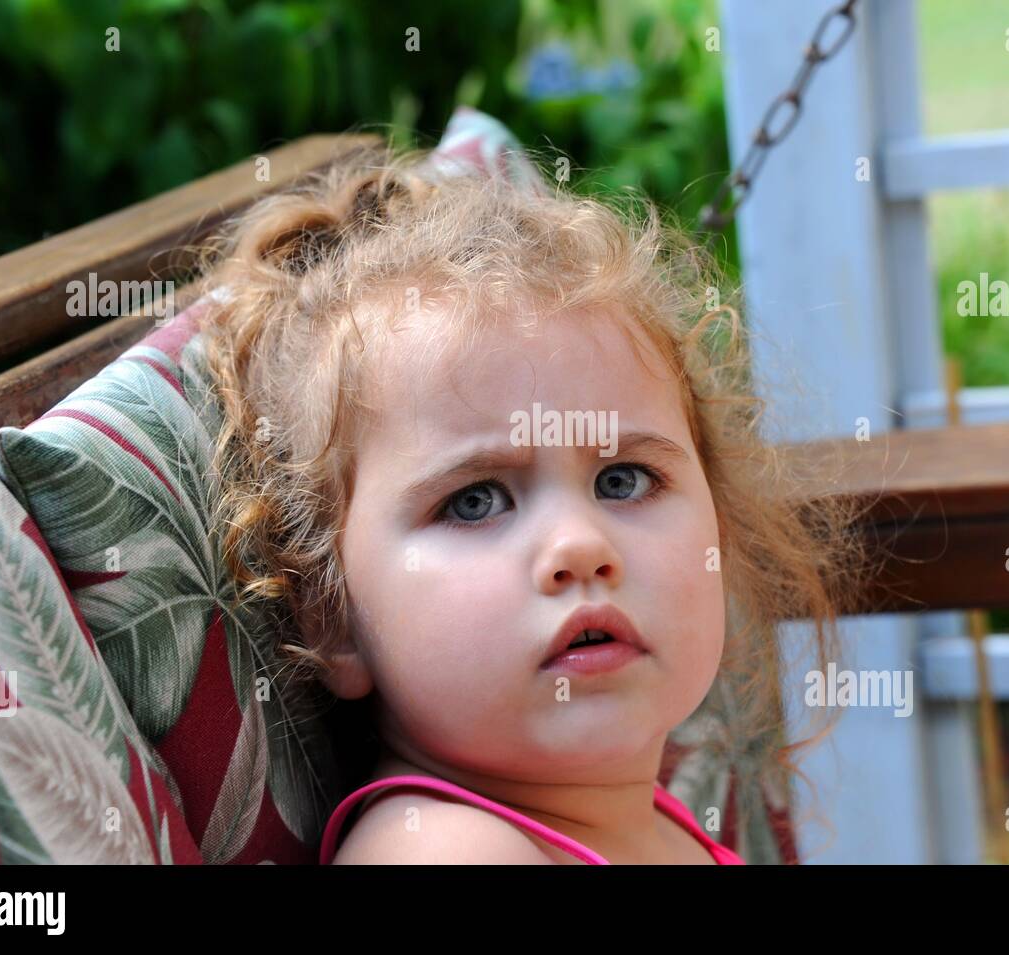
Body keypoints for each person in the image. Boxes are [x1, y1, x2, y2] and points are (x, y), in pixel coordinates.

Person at [196, 131, 858, 864]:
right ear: (333, 615)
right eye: (476, 500)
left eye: (623, 480)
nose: (580, 546)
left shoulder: (658, 829)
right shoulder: (445, 852)